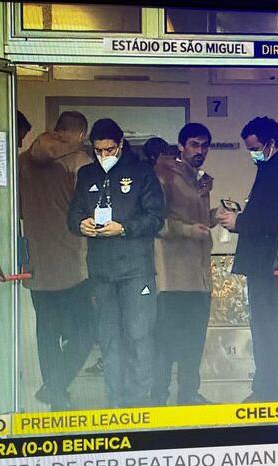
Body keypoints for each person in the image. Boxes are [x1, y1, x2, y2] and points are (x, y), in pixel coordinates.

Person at [68, 118, 165, 408]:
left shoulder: (142, 172)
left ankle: (139, 401)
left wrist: (124, 228)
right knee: (109, 339)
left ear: (121, 144)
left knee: (139, 335)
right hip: (102, 271)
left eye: (109, 149)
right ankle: (115, 402)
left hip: (136, 270)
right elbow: (73, 215)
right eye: (98, 150)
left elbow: (156, 218)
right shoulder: (86, 174)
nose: (104, 155)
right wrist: (80, 224)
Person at [19, 111, 95, 411]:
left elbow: (17, 209)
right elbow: (91, 210)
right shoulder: (80, 162)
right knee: (87, 331)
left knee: (47, 332)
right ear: (81, 134)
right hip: (73, 264)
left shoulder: (23, 161)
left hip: (37, 264)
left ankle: (55, 393)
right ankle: (56, 385)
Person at [217, 117, 278, 403]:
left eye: (255, 148)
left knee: (269, 328)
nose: (253, 154)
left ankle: (271, 388)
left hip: (269, 263)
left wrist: (240, 222)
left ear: (271, 143)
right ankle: (268, 385)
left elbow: (277, 218)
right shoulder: (271, 168)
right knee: (264, 327)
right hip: (264, 263)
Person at [152, 123, 218, 406]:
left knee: (194, 342)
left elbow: (195, 219)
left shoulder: (199, 180)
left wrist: (215, 216)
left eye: (204, 145)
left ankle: (188, 395)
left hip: (199, 276)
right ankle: (159, 399)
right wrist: (190, 230)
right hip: (173, 276)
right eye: (194, 144)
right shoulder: (165, 175)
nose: (200, 150)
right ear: (181, 146)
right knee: (166, 344)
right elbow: (157, 222)